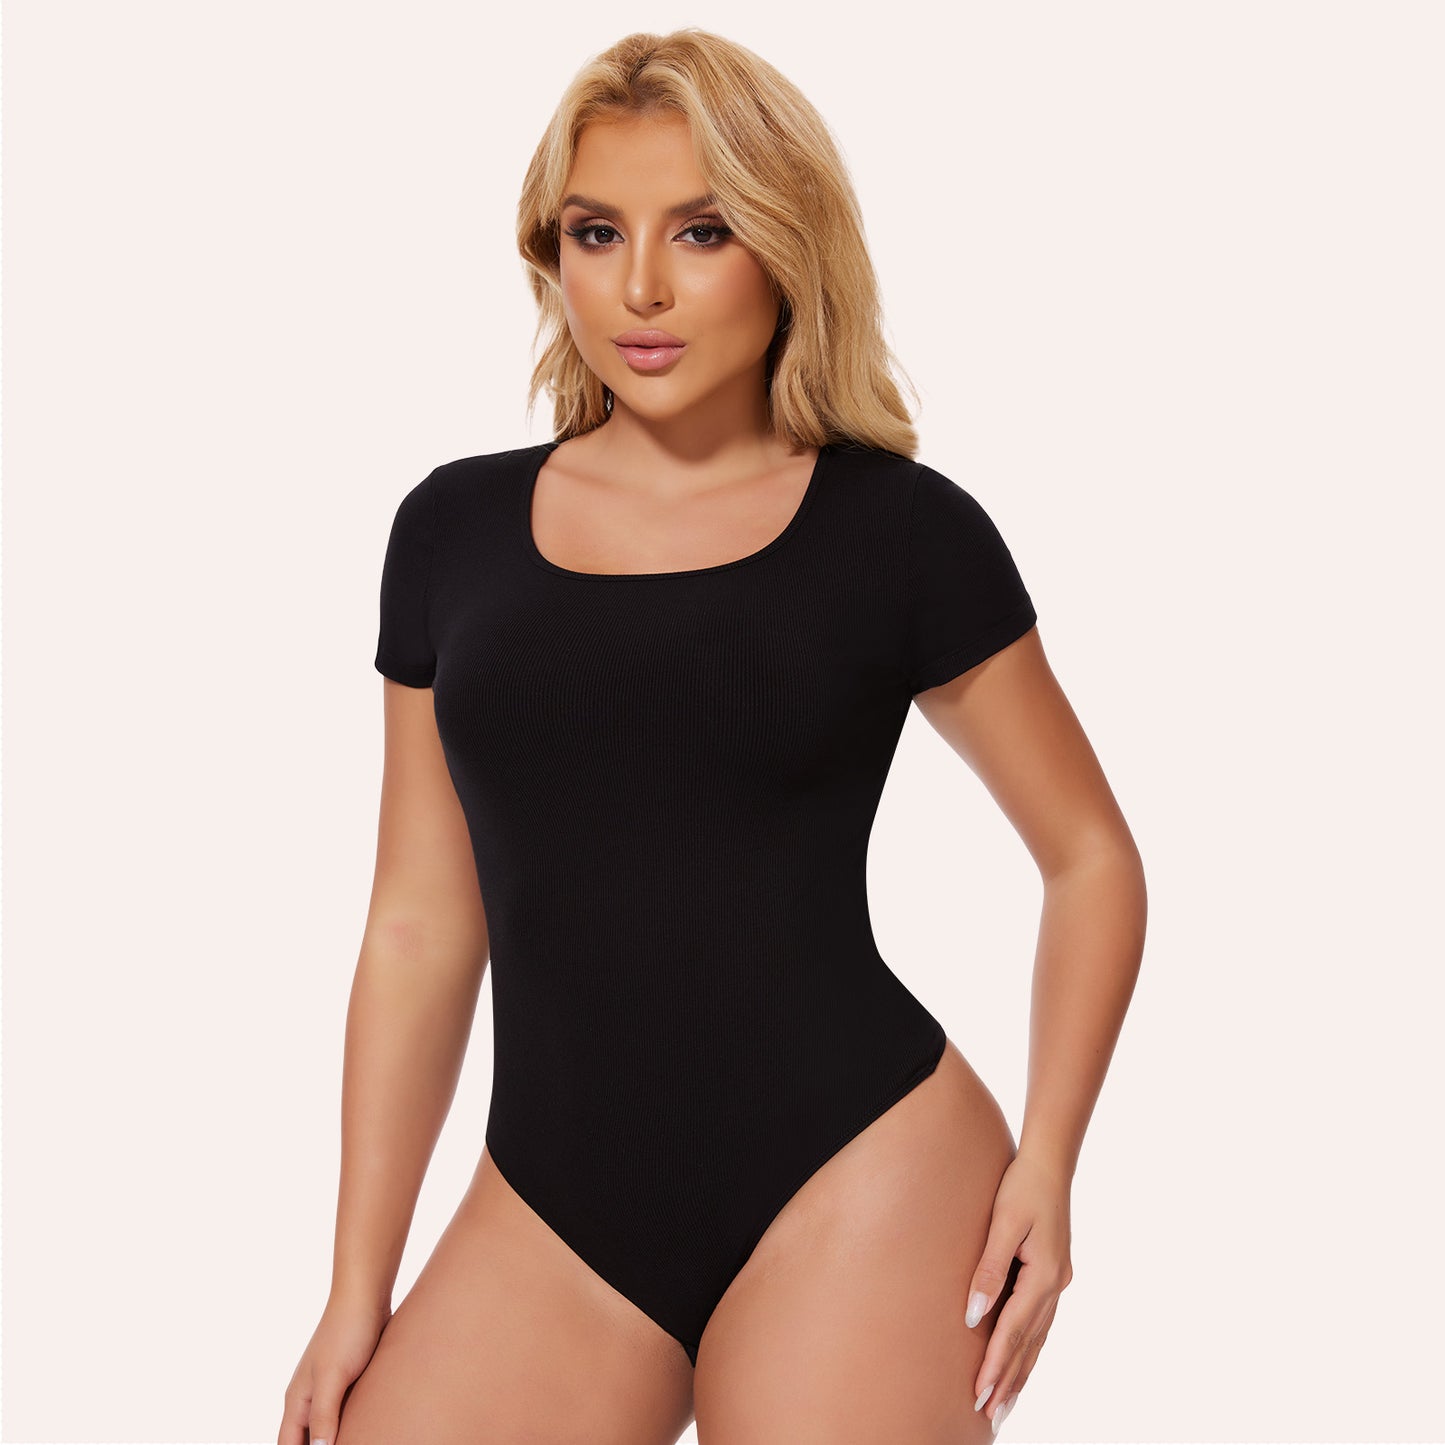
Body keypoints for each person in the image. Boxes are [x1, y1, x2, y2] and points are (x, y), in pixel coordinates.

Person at [280, 27, 1146, 1445]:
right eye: (595, 232)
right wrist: (351, 1290)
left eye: (701, 230)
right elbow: (420, 924)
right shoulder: (451, 531)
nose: (640, 286)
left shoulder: (902, 534)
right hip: (550, 1202)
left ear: (786, 246)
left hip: (857, 1170)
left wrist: (1049, 1163)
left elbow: (1090, 857)